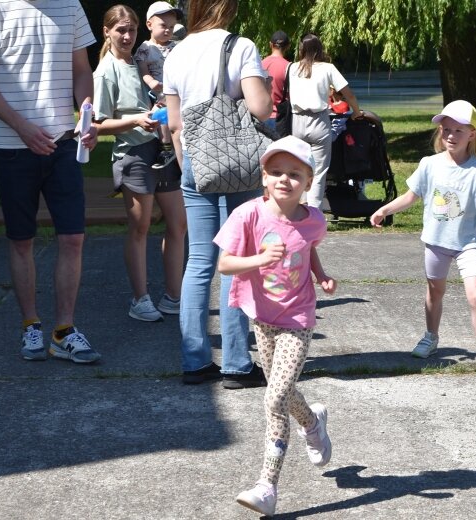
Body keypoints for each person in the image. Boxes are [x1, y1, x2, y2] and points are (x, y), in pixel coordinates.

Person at [0, 0, 101, 363]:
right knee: (21, 240)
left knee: (73, 237)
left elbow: (80, 70)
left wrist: (86, 114)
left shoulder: (70, 5)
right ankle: (31, 325)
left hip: (62, 143)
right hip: (13, 145)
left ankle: (64, 331)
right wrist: (21, 126)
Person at [370, 100, 476, 377]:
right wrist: (384, 209)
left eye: (458, 130)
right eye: (446, 129)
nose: (450, 135)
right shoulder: (429, 164)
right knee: (435, 291)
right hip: (436, 243)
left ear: (472, 134)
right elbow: (411, 196)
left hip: (466, 245)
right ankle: (430, 337)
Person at [214, 136, 336, 516]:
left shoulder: (314, 219)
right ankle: (314, 422)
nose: (285, 180)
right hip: (262, 318)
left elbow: (308, 246)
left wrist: (321, 275)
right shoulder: (248, 215)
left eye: (294, 174)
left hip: (298, 318)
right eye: (276, 172)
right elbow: (225, 265)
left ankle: (267, 486)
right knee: (283, 392)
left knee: (274, 398)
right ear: (264, 178)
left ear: (309, 181)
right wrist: (261, 257)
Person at [163, 0, 271, 389]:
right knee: (238, 257)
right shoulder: (239, 46)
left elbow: (174, 125)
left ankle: (195, 362)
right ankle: (238, 364)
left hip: (195, 160)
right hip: (238, 161)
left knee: (199, 261)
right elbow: (260, 107)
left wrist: (187, 164)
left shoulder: (175, 53)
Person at [93, 4, 186, 322]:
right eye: (121, 30)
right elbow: (98, 124)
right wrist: (136, 121)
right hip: (133, 157)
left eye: (131, 29)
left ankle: (174, 297)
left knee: (178, 224)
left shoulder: (143, 58)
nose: (128, 35)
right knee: (140, 228)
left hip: (164, 152)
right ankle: (140, 299)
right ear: (107, 31)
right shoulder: (106, 70)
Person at [288, 33, 364, 209]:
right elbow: (348, 93)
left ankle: (297, 207)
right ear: (319, 49)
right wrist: (356, 111)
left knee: (299, 167)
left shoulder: (292, 68)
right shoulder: (328, 68)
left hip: (297, 121)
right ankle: (313, 211)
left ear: (301, 49)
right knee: (319, 170)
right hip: (319, 121)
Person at [134, 1, 182, 170]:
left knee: (169, 115)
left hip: (175, 90)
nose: (168, 30)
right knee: (160, 115)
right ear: (149, 24)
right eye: (163, 25)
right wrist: (151, 82)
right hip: (158, 92)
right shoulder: (146, 48)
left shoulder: (176, 47)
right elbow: (143, 69)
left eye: (171, 26)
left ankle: (173, 147)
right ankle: (167, 147)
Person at [261, 30, 290, 131]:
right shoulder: (289, 67)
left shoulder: (260, 64)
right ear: (288, 46)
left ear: (270, 45)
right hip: (279, 117)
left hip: (260, 115)